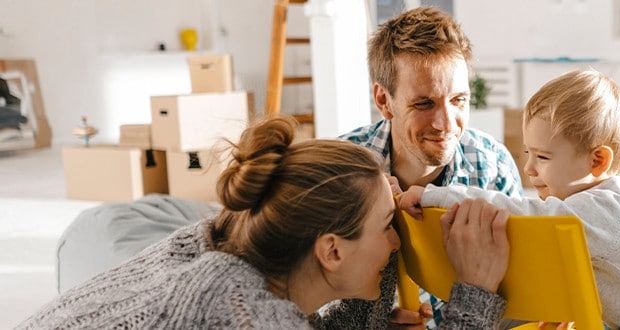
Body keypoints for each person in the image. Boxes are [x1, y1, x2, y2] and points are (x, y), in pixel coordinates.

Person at [17, 117, 512, 329]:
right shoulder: (240, 315)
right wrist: (474, 295)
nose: (396, 239)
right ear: (331, 250)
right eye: (388, 225)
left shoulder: (219, 243)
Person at [399, 70, 620, 329]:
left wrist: (435, 195)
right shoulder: (589, 205)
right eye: (527, 153)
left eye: (544, 157)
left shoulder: (608, 210)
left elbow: (520, 212)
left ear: (598, 162)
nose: (529, 169)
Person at [339, 7, 524, 327]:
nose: (446, 124)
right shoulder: (340, 169)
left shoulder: (493, 165)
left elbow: (518, 292)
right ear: (384, 100)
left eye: (458, 101)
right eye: (424, 103)